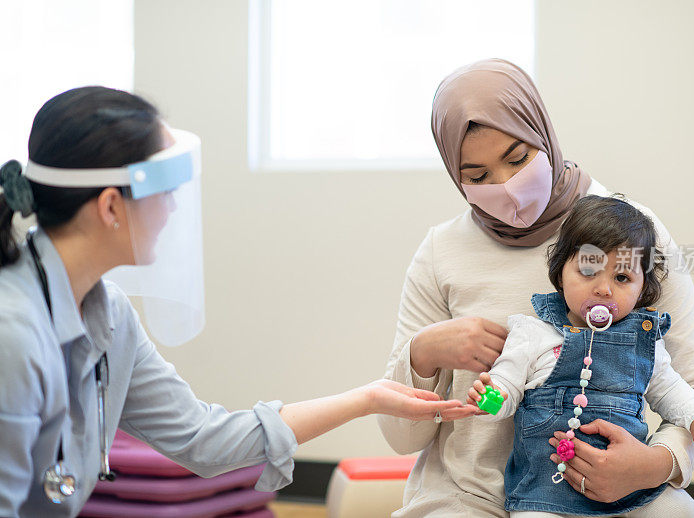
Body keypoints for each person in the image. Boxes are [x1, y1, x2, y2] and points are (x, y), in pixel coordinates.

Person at [0, 86, 473, 518]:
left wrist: (366, 399)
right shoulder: (13, 335)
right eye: (165, 192)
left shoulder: (109, 315)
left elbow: (202, 439)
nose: (172, 209)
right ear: (109, 208)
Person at [379, 59, 694, 517]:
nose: (507, 188)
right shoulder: (442, 250)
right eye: (478, 177)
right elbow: (403, 439)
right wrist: (423, 355)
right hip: (468, 497)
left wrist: (654, 465)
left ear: (542, 133)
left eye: (519, 159)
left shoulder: (633, 232)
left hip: (617, 495)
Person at [466, 195, 694, 517]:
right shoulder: (534, 333)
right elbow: (507, 380)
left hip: (630, 489)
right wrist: (491, 397)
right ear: (560, 272)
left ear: (643, 288)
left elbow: (670, 389)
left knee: (681, 510)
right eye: (589, 271)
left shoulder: (644, 343)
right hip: (546, 490)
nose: (604, 289)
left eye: (622, 278)